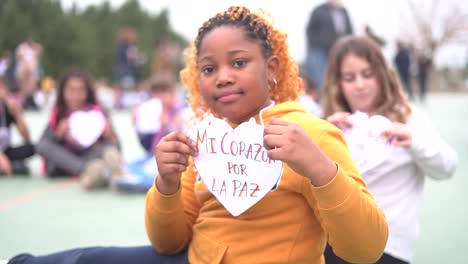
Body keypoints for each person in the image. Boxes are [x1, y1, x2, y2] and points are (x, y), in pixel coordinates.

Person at [5, 6, 388, 264]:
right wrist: (167, 184)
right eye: (208, 69)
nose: (222, 76)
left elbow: (366, 249)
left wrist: (322, 171)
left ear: (271, 67)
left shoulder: (310, 134)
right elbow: (168, 242)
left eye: (239, 63)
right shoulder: (203, 139)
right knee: (91, 259)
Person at [321, 36, 458, 264]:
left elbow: (447, 166)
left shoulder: (407, 116)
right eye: (349, 78)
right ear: (337, 83)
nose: (360, 84)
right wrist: (323, 138)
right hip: (336, 242)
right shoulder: (331, 124)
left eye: (367, 74)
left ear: (382, 75)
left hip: (390, 246)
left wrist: (413, 142)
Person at [35, 68, 123, 190]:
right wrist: (58, 136)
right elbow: (42, 146)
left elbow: (117, 145)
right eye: (71, 90)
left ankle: (100, 172)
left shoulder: (97, 112)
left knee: (110, 150)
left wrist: (109, 136)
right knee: (44, 145)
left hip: (91, 155)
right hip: (67, 162)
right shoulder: (59, 114)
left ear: (88, 92)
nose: (76, 95)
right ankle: (88, 170)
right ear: (63, 92)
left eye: (81, 90)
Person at [305, 0, 353, 96]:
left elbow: (349, 30)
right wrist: (317, 44)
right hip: (320, 51)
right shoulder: (319, 10)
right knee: (321, 79)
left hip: (339, 50)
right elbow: (310, 30)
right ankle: (323, 99)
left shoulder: (343, 11)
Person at [0, 77, 35, 175]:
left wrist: (18, 115)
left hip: (5, 151)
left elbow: (27, 138)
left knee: (31, 148)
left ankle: (8, 166)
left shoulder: (8, 110)